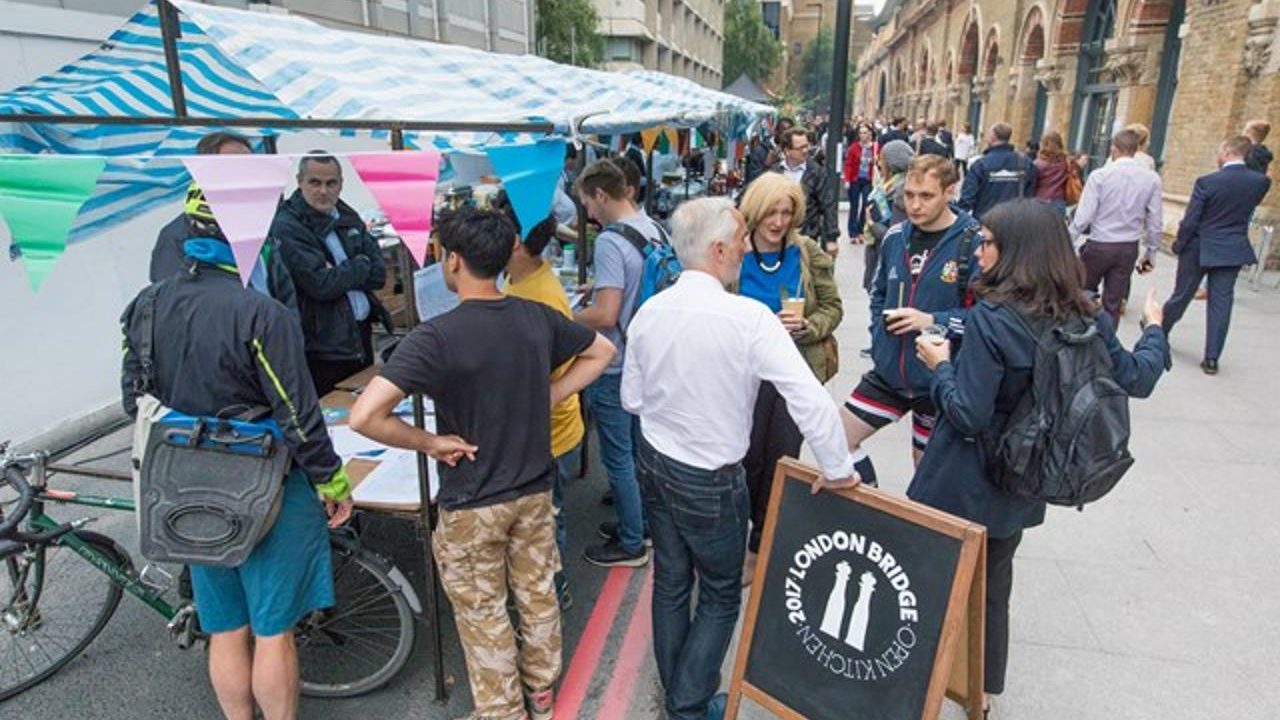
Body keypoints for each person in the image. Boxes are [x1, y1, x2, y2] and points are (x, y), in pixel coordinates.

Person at [349, 208, 615, 720]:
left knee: (483, 610)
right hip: (534, 491)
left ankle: (501, 711)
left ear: (451, 261)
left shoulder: (436, 336)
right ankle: (541, 693)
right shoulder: (535, 316)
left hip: (473, 499)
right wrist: (551, 394)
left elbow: (364, 415)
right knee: (537, 596)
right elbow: (601, 350)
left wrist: (428, 441)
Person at [909, 198, 1168, 717]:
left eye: (986, 242)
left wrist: (939, 366)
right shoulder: (1084, 315)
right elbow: (1137, 378)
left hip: (960, 482)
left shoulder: (992, 320)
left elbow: (967, 415)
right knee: (992, 591)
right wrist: (1155, 327)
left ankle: (913, 684)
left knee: (930, 584)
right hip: (1021, 483)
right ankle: (979, 694)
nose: (978, 250)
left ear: (1015, 252)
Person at [622, 197, 857, 720]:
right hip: (710, 478)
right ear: (719, 249)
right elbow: (809, 397)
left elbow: (632, 400)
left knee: (671, 580)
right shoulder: (748, 317)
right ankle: (688, 706)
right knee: (722, 593)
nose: (749, 246)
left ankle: (679, 694)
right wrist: (839, 469)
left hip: (655, 462)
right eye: (741, 239)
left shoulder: (649, 312)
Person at [121, 208, 354, 720]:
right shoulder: (261, 313)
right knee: (273, 629)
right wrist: (331, 479)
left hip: (183, 483)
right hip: (266, 480)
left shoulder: (146, 304)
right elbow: (297, 413)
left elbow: (132, 398)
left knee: (224, 624)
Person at [844, 155, 980, 487]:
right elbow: (878, 293)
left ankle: (919, 535)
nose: (915, 205)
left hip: (938, 380)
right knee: (835, 440)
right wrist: (879, 338)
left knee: (928, 480)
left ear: (950, 191)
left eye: (926, 196)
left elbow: (984, 319)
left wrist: (932, 320)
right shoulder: (895, 236)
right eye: (909, 195)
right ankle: (873, 511)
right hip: (890, 373)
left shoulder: (973, 242)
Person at [736, 172, 844, 581]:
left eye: (786, 212)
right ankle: (737, 532)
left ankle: (761, 543)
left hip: (794, 369)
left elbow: (833, 307)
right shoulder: (734, 253)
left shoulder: (807, 252)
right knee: (744, 458)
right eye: (771, 212)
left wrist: (810, 327)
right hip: (744, 372)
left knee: (781, 456)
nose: (779, 222)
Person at [573, 159, 663, 568]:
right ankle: (639, 522)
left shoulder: (609, 241)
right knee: (639, 451)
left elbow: (606, 315)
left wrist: (562, 313)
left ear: (602, 195)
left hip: (615, 362)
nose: (588, 213)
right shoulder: (653, 228)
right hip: (647, 358)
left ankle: (630, 543)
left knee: (618, 456)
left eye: (588, 203)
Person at [496, 193, 583, 612]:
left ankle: (553, 590)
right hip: (545, 430)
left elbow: (552, 369)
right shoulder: (520, 279)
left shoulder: (538, 295)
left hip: (550, 434)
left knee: (548, 520)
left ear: (513, 240)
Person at [272, 153, 388, 396]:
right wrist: (358, 264)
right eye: (315, 183)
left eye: (330, 183)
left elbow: (379, 275)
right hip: (323, 346)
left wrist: (342, 271)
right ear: (299, 181)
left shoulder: (346, 215)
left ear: (341, 184)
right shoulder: (288, 225)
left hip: (360, 334)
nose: (323, 191)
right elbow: (320, 285)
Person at [1161, 136, 1272, 375]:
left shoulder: (1208, 181)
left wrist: (1179, 244)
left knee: (1182, 294)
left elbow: (1191, 219)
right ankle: (1212, 358)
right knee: (1221, 303)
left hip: (1199, 246)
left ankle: (1161, 330)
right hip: (1232, 248)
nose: (1218, 155)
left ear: (1229, 151)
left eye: (1220, 151)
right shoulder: (1261, 182)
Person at [1069, 128, 1164, 325]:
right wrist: (1151, 253)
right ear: (1136, 150)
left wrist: (1068, 241)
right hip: (1128, 246)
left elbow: (1083, 216)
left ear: (1114, 148)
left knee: (1084, 293)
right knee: (1113, 301)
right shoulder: (1151, 179)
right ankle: (1107, 344)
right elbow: (1155, 221)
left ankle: (1081, 333)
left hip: (1100, 243)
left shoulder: (1100, 176)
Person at [771, 127, 840, 254]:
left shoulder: (816, 172)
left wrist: (832, 238)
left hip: (806, 237)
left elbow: (829, 205)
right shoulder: (774, 172)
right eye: (800, 148)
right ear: (787, 151)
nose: (805, 151)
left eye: (806, 146)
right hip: (776, 237)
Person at [861, 139, 915, 294]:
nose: (878, 161)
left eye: (881, 158)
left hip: (888, 259)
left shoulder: (901, 191)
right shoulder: (889, 185)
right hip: (878, 252)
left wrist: (871, 224)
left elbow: (896, 233)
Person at [958, 122, 1037, 220]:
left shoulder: (980, 164)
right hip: (1014, 223)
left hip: (985, 222)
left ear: (993, 137)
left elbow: (967, 199)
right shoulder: (1026, 163)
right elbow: (1030, 197)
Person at [843, 122, 879, 242]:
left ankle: (860, 230)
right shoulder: (854, 147)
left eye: (865, 133)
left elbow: (882, 164)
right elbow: (848, 164)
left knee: (865, 204)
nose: (862, 135)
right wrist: (847, 179)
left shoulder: (875, 147)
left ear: (870, 134)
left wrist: (877, 161)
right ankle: (853, 233)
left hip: (868, 180)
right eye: (860, 133)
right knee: (854, 206)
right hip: (855, 179)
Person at [1033, 130, 1073, 215]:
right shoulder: (1066, 162)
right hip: (1058, 202)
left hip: (1040, 201)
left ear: (1044, 144)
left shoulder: (1037, 164)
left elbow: (1032, 184)